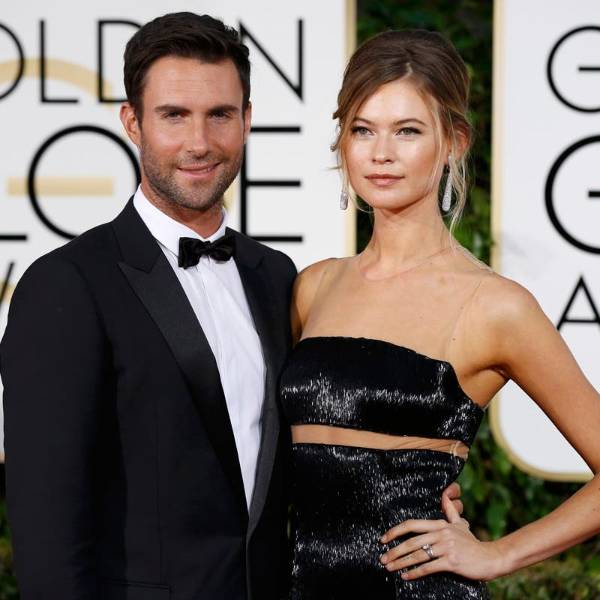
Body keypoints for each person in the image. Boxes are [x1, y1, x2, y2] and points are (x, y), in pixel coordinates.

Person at [0, 13, 465, 600]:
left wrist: (409, 487)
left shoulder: (275, 277)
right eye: (174, 115)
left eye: (219, 115)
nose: (199, 142)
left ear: (246, 120)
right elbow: (47, 536)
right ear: (132, 122)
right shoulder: (66, 285)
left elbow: (309, 447)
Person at [281, 29, 600, 600]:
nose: (381, 153)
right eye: (362, 130)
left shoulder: (494, 306)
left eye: (407, 131)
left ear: (453, 141)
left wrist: (498, 553)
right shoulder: (314, 287)